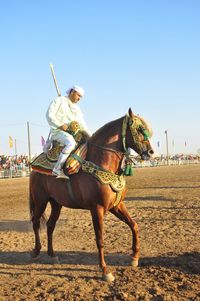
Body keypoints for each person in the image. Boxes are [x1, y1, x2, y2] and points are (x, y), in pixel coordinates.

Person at [46, 85, 91, 177]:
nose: (79, 98)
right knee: (71, 143)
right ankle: (57, 169)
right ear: (72, 92)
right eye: (78, 95)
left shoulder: (77, 109)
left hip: (74, 134)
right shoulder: (59, 101)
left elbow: (83, 125)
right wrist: (60, 125)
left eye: (81, 97)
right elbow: (49, 115)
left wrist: (92, 137)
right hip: (58, 132)